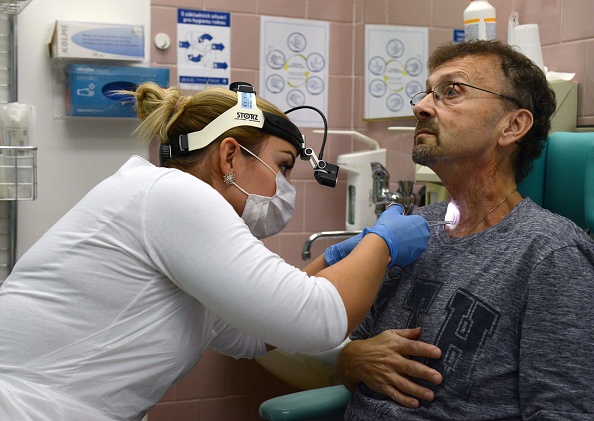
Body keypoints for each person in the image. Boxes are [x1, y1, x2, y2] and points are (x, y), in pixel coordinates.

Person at [0, 82, 430, 420]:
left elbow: (252, 335)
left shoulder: (161, 202)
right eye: (281, 166)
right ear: (229, 156)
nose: (283, 189)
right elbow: (314, 323)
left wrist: (332, 261)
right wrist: (382, 243)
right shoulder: (174, 196)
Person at [333, 40, 594, 420]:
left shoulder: (552, 255)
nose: (421, 107)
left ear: (513, 125)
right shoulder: (413, 231)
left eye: (451, 91)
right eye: (425, 93)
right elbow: (357, 354)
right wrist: (348, 359)